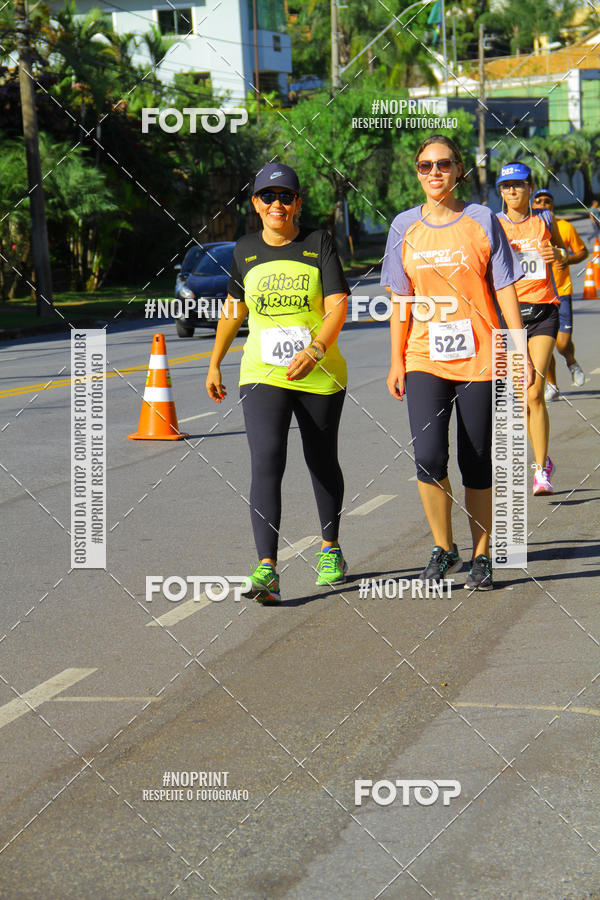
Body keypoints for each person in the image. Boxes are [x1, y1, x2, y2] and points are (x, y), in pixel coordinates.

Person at [381, 135, 533, 592]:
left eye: (443, 165)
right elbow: (400, 300)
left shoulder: (482, 219)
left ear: (459, 169)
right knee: (428, 456)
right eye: (425, 166)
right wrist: (395, 362)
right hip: (424, 356)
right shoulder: (403, 226)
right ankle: (443, 547)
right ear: (417, 173)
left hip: (481, 358)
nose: (434, 173)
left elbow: (504, 286)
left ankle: (482, 554)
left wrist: (517, 348)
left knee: (477, 458)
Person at [205, 162, 349, 604]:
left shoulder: (316, 243)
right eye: (268, 196)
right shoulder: (244, 250)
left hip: (319, 372)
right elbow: (234, 310)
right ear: (255, 204)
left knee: (320, 460)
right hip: (262, 372)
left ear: (298, 203)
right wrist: (214, 363)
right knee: (267, 459)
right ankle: (267, 567)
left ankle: (330, 549)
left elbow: (337, 305)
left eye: (286, 196)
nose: (277, 204)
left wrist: (315, 350)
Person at [495, 162, 566, 496]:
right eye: (507, 186)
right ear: (501, 192)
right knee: (522, 396)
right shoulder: (493, 225)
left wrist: (558, 254)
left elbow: (568, 254)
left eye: (519, 185)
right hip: (510, 319)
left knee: (534, 390)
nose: (513, 191)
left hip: (543, 313)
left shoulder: (546, 220)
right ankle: (545, 458)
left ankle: (540, 471)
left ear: (529, 188)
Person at [531, 189, 588, 401]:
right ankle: (552, 385)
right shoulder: (528, 228)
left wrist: (566, 260)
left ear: (553, 205)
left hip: (562, 291)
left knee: (562, 343)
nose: (543, 204)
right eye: (538, 201)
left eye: (547, 201)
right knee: (544, 343)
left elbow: (582, 251)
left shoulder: (564, 227)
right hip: (539, 294)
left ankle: (571, 362)